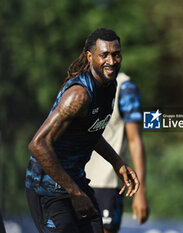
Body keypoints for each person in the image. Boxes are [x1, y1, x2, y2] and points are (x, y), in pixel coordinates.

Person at [25, 28, 139, 233]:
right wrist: (74, 193)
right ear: (90, 56)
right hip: (48, 190)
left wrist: (118, 163)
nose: (111, 61)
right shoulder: (78, 96)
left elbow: (90, 132)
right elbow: (37, 144)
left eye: (116, 54)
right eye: (104, 55)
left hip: (75, 183)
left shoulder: (109, 86)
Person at [85, 72, 149, 233]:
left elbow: (135, 140)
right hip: (75, 180)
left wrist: (140, 191)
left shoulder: (125, 88)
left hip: (106, 183)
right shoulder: (79, 82)